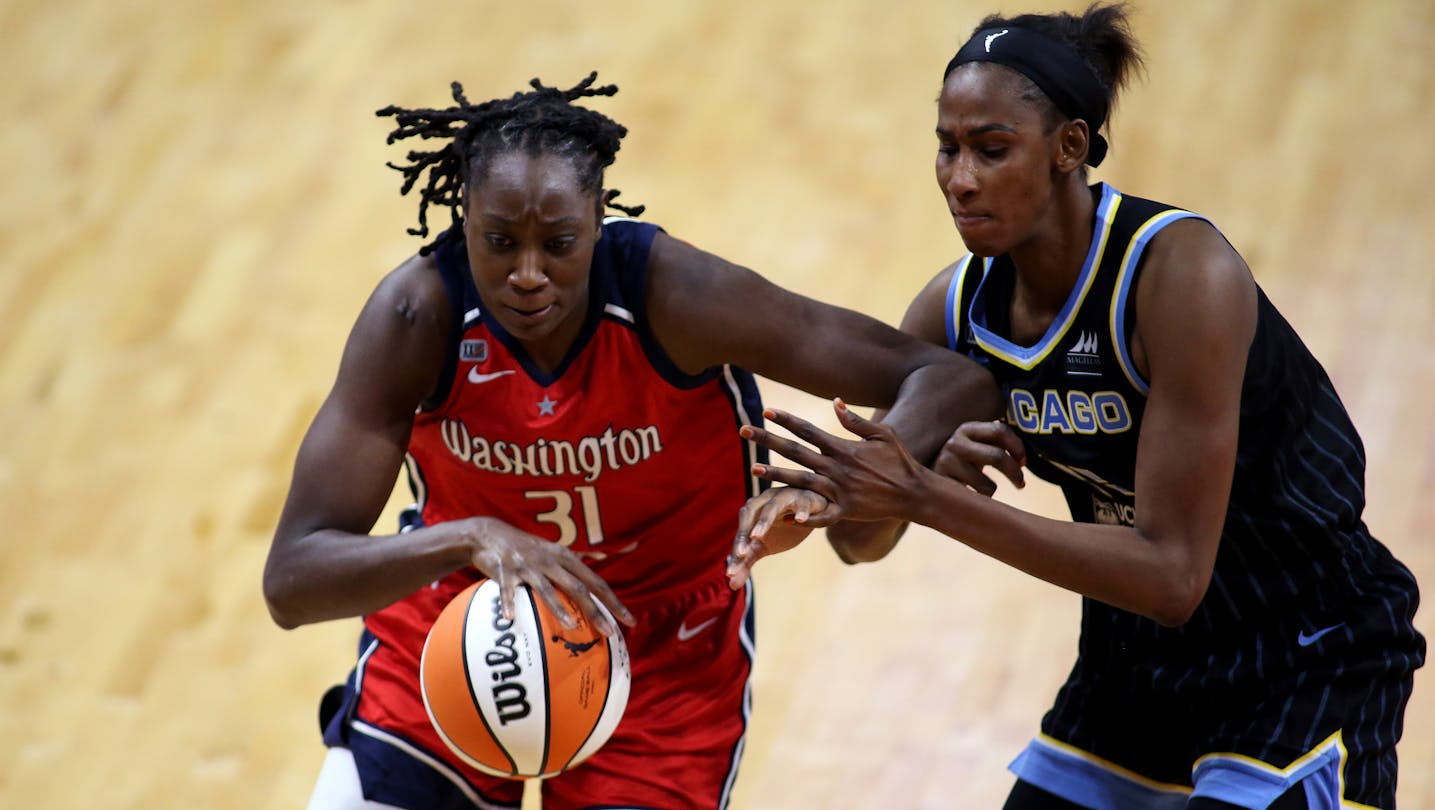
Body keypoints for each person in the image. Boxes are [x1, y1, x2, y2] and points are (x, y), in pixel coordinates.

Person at [725, 5, 1426, 809]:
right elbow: (862, 541)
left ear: (1069, 148)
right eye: (947, 149)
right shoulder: (954, 315)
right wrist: (837, 498)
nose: (960, 178)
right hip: (1133, 665)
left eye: (992, 150)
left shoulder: (1178, 275)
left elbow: (1172, 574)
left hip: (1303, 650)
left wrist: (931, 499)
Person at [262, 73, 998, 810]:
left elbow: (947, 379)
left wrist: (834, 483)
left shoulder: (678, 296)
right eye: (497, 242)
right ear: (463, 217)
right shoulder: (415, 314)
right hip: (461, 620)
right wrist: (469, 538)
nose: (526, 274)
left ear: (599, 215)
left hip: (665, 655)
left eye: (558, 244)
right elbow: (292, 581)